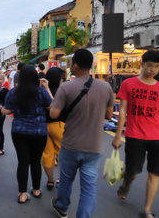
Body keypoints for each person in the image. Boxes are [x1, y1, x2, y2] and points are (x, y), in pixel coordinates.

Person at [50, 49, 114, 218]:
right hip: (93, 147)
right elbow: (108, 115)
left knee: (66, 180)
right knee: (89, 188)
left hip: (70, 145)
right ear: (91, 65)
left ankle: (62, 207)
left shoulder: (66, 87)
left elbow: (53, 114)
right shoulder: (106, 87)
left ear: (76, 66)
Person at [112, 50, 159, 218]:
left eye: (157, 67)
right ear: (142, 64)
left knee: (154, 173)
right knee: (133, 172)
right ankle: (126, 184)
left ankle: (147, 209)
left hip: (157, 136)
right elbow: (122, 111)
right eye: (150, 65)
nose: (152, 70)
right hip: (135, 134)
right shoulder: (128, 84)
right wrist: (117, 136)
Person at [1, 65, 53, 203]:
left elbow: (6, 110)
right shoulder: (41, 92)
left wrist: (4, 109)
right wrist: (46, 88)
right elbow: (51, 107)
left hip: (19, 132)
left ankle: (22, 194)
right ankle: (36, 190)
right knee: (36, 161)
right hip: (39, 132)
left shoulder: (14, 92)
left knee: (23, 162)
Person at [41, 67, 64, 190]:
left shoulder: (41, 90)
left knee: (47, 154)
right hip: (59, 125)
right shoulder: (62, 91)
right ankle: (61, 179)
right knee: (62, 153)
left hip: (44, 126)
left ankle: (50, 180)